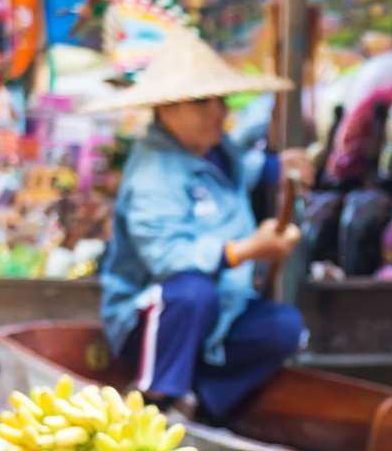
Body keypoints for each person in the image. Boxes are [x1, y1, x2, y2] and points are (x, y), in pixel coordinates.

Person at [87, 30, 315, 422]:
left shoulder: (217, 150)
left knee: (284, 328)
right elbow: (170, 259)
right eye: (200, 103)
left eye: (219, 101)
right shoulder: (153, 174)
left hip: (222, 312)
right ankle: (154, 395)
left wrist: (284, 167)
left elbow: (248, 170)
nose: (218, 112)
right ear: (166, 110)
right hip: (153, 317)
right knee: (192, 292)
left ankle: (198, 402)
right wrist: (245, 251)